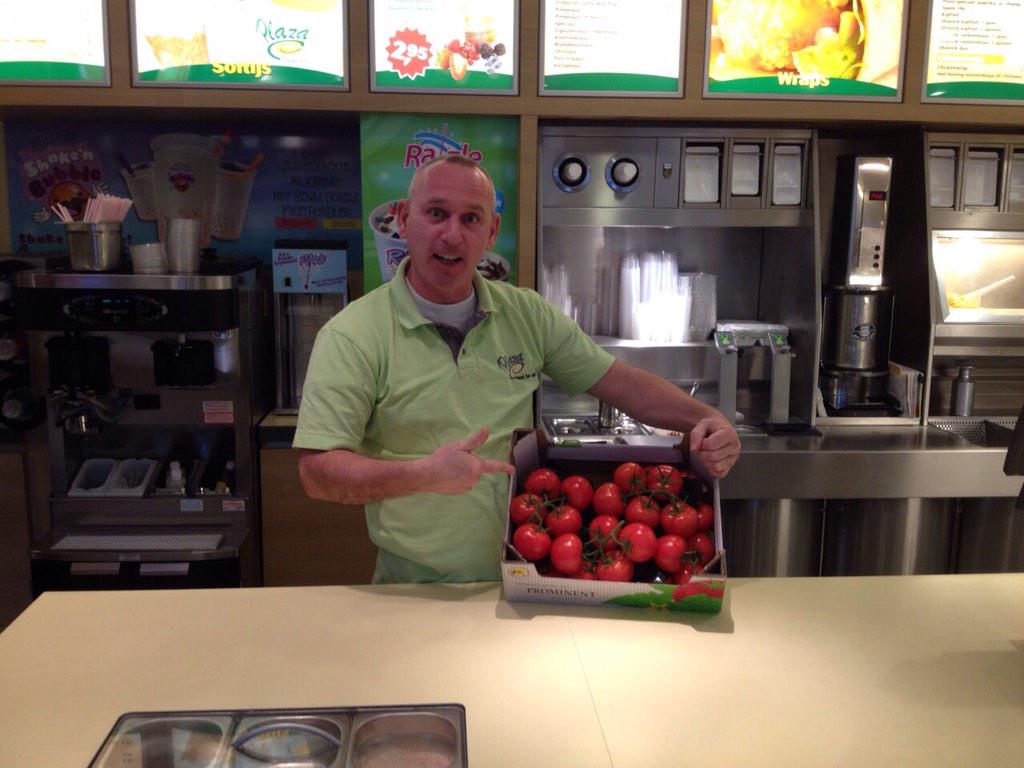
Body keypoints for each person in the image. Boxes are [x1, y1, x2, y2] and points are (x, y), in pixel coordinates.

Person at [294, 154, 740, 583]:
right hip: (413, 588)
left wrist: (709, 419)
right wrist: (421, 475)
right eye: (436, 213)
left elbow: (622, 384)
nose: (452, 235)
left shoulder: (526, 315)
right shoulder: (353, 334)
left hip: (525, 581)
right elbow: (317, 471)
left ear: (492, 232)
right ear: (404, 220)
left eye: (471, 219)